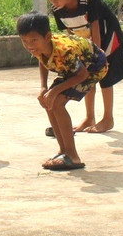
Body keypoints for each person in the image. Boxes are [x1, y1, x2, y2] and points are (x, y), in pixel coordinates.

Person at [16, 12, 106, 172]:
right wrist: (43, 87)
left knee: (56, 102)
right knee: (48, 101)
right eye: (24, 41)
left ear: (47, 36)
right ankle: (63, 150)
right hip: (71, 70)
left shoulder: (64, 51)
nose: (29, 45)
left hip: (93, 68)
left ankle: (73, 156)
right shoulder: (40, 48)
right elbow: (43, 60)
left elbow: (82, 74)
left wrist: (55, 90)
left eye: (34, 40)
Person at [43, 0, 123, 134]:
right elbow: (69, 30)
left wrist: (97, 54)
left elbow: (96, 25)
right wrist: (75, 52)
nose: (53, 2)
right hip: (84, 41)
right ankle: (89, 117)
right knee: (88, 75)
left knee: (105, 75)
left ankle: (108, 118)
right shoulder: (57, 9)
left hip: (107, 36)